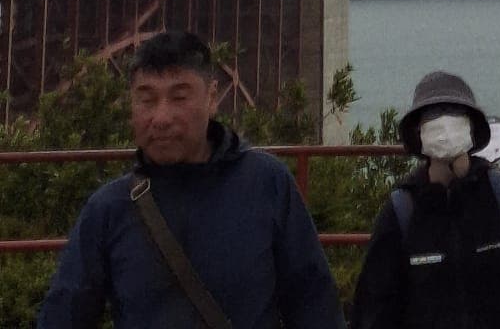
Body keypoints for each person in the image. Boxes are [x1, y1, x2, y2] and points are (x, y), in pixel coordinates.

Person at [38, 28, 342, 329]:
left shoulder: (266, 183)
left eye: (179, 97)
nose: (161, 118)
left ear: (212, 98)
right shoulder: (108, 208)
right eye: (146, 99)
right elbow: (64, 313)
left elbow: (314, 304)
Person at [351, 69, 500, 328]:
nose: (444, 123)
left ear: (472, 126)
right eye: (432, 115)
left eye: (454, 113)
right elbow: (375, 307)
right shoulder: (401, 211)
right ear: (418, 133)